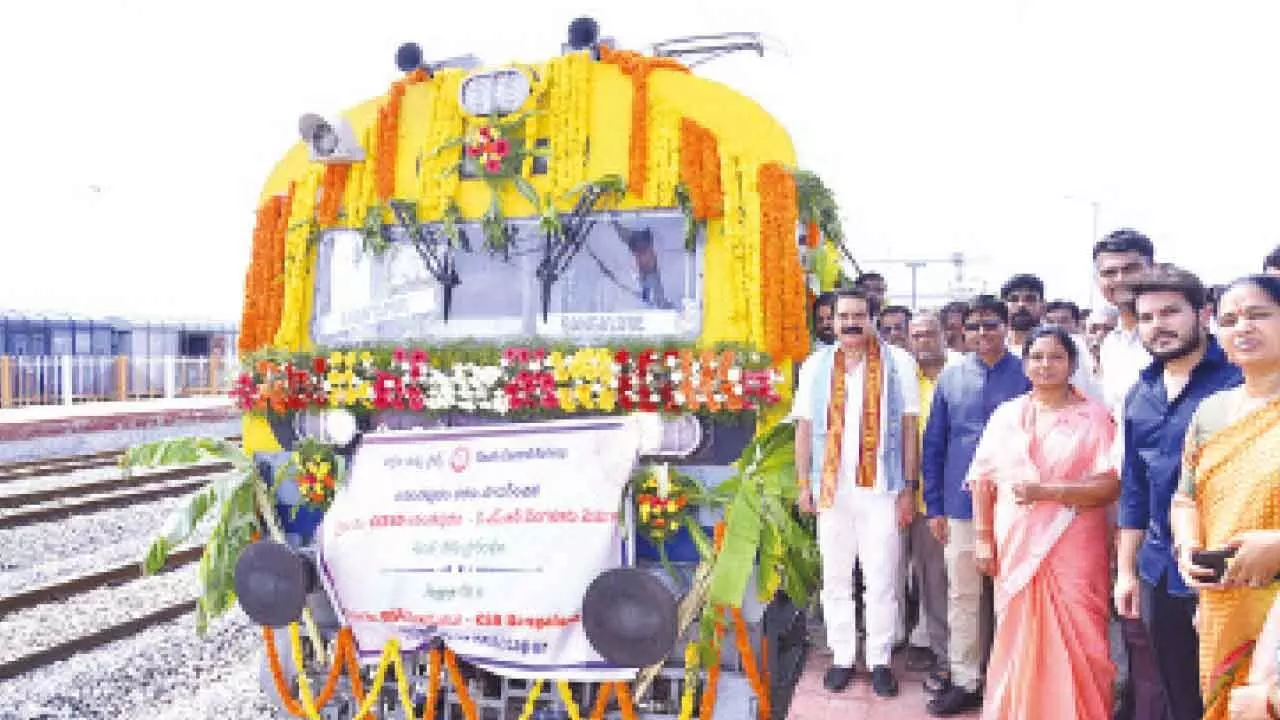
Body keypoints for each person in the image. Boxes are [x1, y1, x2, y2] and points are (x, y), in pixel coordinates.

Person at [969, 325, 1120, 720]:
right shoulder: (1007, 416)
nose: (1046, 365)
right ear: (1024, 364)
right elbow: (983, 479)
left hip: (1074, 543)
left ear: (1072, 364)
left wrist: (1048, 492)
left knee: (1080, 637)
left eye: (1056, 357)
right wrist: (983, 539)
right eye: (1037, 357)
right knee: (1016, 634)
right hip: (1016, 543)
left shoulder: (1094, 416)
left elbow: (1109, 486)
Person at [1113, 265, 1241, 720]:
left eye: (1170, 312)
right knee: (1176, 692)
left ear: (1203, 313)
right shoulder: (1140, 393)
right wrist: (1126, 571)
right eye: (1146, 317)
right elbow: (1134, 488)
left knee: (1234, 690)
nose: (1158, 325)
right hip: (1159, 568)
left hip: (1231, 565)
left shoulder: (1241, 384)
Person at [793, 288, 921, 698]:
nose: (849, 323)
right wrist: (802, 485)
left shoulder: (898, 363)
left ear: (872, 317)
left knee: (882, 578)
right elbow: (804, 428)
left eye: (858, 315)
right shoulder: (815, 365)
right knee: (835, 578)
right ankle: (843, 656)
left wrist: (908, 488)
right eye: (841, 316)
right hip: (832, 490)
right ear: (831, 321)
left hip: (881, 489)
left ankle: (880, 658)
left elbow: (909, 428)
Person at [1171, 274, 1280, 720]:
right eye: (1230, 319)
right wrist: (1187, 548)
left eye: (1259, 315)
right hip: (1222, 603)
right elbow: (1185, 496)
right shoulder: (1211, 411)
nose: (1243, 327)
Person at [922, 295, 1031, 716]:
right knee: (963, 596)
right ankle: (966, 679)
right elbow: (935, 444)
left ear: (1006, 327)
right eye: (974, 327)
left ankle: (1011, 679)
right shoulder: (952, 378)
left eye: (991, 325)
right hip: (961, 505)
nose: (983, 334)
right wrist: (935, 506)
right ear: (962, 332)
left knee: (1012, 596)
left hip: (1017, 505)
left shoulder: (1027, 372)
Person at [898, 311, 950, 675]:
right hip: (902, 493)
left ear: (945, 335)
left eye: (930, 334)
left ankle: (947, 654)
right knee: (899, 575)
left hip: (943, 496)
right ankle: (907, 642)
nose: (923, 341)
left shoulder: (959, 376)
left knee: (938, 579)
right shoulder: (901, 381)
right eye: (916, 336)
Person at [1000, 273, 1100, 399]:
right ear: (1003, 306)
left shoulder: (1069, 344)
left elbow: (1085, 394)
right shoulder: (997, 349)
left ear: (1043, 305)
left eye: (1030, 299)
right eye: (1014, 299)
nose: (1021, 305)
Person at [1095, 228, 1157, 415]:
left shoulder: (1174, 337)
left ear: (1154, 269)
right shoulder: (1110, 344)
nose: (1120, 279)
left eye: (1131, 269)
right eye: (1109, 273)